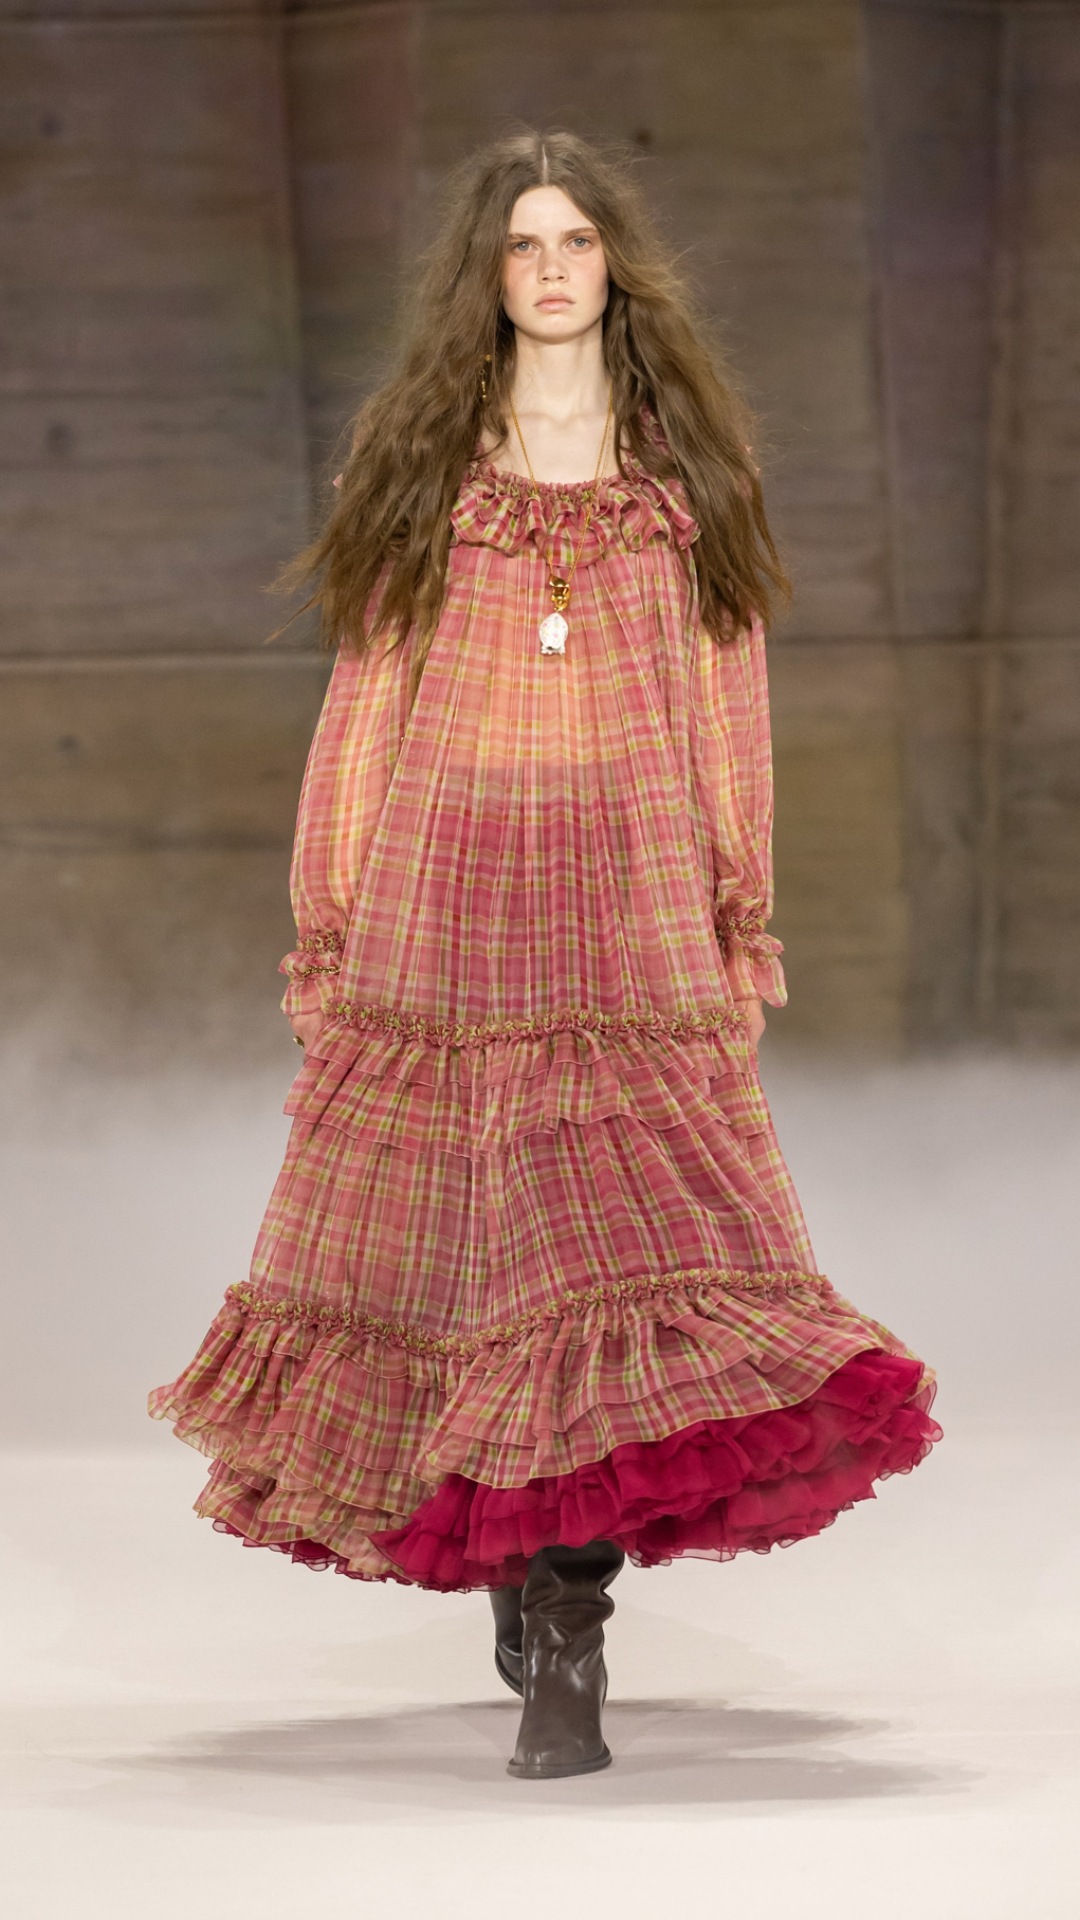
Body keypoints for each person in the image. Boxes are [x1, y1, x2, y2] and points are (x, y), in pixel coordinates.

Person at [150, 129, 940, 1781]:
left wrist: (734, 905)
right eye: (524, 244)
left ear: (616, 264)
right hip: (447, 901)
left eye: (577, 239)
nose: (554, 267)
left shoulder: (689, 474)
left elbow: (729, 705)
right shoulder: (423, 468)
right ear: (489, 276)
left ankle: (567, 1624)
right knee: (474, 1271)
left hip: (630, 906)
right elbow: (367, 699)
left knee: (611, 1260)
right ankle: (532, 1582)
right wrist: (332, 914)